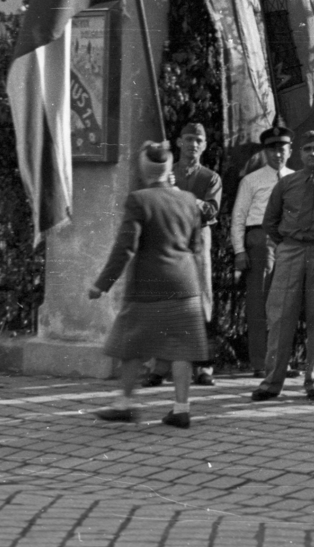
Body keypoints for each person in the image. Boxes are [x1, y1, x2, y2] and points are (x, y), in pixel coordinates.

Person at [89, 141, 209, 430]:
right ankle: (181, 409)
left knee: (131, 345)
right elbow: (196, 246)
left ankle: (125, 404)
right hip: (185, 284)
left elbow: (125, 248)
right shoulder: (190, 200)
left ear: (144, 170)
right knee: (182, 349)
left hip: (147, 287)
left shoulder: (139, 200)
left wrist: (102, 284)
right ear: (169, 169)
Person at [252, 130, 314, 402]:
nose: (313, 154)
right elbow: (269, 222)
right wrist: (288, 244)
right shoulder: (286, 185)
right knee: (280, 318)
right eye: (308, 149)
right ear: (299, 154)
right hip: (291, 252)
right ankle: (272, 382)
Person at [146, 123, 223, 388]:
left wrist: (181, 197)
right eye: (188, 139)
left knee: (202, 302)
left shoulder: (211, 178)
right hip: (170, 239)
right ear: (178, 142)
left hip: (199, 240)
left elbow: (211, 212)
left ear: (204, 145)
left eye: (198, 140)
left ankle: (204, 367)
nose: (193, 144)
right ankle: (160, 367)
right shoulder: (167, 173)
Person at [230, 125, 293, 377]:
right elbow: (238, 217)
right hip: (260, 239)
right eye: (272, 149)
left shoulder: (296, 178)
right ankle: (259, 362)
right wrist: (238, 250)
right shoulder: (251, 180)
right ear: (265, 152)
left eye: (282, 149)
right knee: (259, 303)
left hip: (288, 241)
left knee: (286, 303)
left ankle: (280, 362)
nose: (278, 154)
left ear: (289, 150)